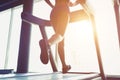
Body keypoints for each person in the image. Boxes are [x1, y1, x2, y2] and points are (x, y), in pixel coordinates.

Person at [40, 0, 86, 73]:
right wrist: (78, 2)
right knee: (60, 35)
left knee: (60, 40)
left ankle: (64, 66)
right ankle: (48, 43)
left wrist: (53, 6)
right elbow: (71, 3)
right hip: (63, 9)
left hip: (54, 11)